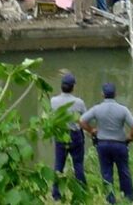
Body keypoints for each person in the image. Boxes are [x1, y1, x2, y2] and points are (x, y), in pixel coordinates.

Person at [80, 83, 133, 204]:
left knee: (106, 172)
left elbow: (82, 121)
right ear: (115, 94)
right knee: (124, 170)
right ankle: (129, 197)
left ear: (102, 94)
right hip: (120, 144)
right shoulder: (123, 109)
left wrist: (91, 130)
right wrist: (130, 137)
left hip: (103, 145)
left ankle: (111, 199)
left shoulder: (97, 109)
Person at [50, 73, 87, 201]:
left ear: (61, 86)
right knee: (78, 164)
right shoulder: (79, 102)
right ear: (73, 87)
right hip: (75, 135)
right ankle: (82, 191)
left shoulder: (53, 101)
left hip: (60, 134)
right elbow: (84, 119)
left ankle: (56, 194)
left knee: (58, 165)